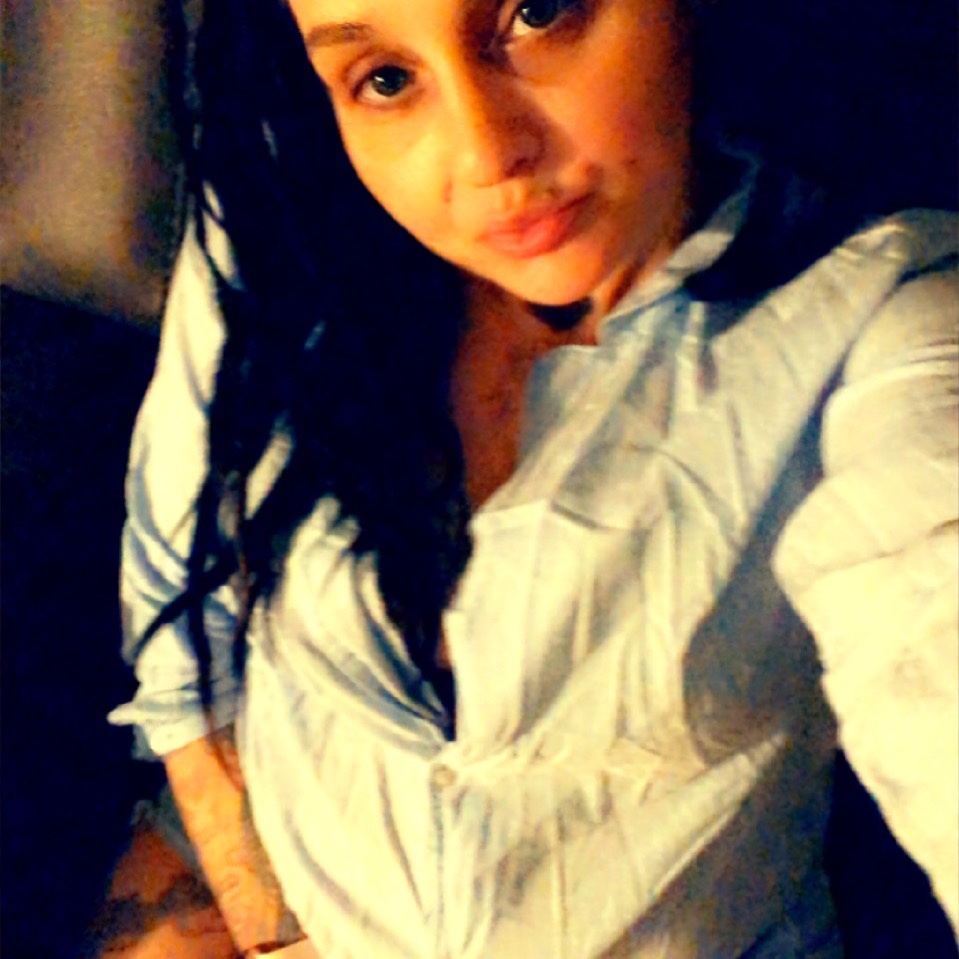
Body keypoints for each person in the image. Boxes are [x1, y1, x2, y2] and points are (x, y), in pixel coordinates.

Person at [91, 0, 957, 956]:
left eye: (538, 12)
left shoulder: (877, 322)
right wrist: (270, 928)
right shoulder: (285, 221)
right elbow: (180, 598)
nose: (485, 154)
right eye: (385, 80)